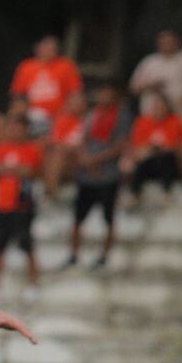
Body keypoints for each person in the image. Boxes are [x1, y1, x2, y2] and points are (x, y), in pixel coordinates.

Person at [0, 112, 44, 298]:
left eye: (19, 128)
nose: (15, 132)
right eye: (12, 127)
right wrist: (11, 170)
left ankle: (33, 285)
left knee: (27, 245)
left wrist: (3, 169)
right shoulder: (1, 148)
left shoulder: (32, 149)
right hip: (2, 205)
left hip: (22, 206)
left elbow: (28, 171)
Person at [66, 82, 129, 268]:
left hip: (108, 174)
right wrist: (87, 160)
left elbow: (120, 145)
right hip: (87, 175)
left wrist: (96, 160)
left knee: (108, 218)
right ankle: (74, 254)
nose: (104, 98)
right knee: (78, 218)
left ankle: (104, 256)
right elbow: (82, 141)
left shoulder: (122, 117)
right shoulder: (91, 115)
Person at [128, 28, 182, 116]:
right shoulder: (149, 62)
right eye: (163, 42)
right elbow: (132, 88)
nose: (166, 44)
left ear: (178, 42)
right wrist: (149, 86)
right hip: (152, 115)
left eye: (170, 41)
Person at [10, 35, 82, 130]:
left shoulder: (66, 66)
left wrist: (65, 112)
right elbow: (17, 94)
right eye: (46, 48)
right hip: (31, 115)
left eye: (53, 49)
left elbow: (75, 93)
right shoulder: (26, 67)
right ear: (38, 48)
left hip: (59, 116)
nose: (50, 51)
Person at [125, 97, 182, 201]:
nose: (159, 110)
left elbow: (175, 146)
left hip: (168, 160)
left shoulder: (174, 121)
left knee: (166, 159)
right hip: (148, 161)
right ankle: (134, 194)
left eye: (162, 107)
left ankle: (167, 191)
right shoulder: (143, 122)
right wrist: (152, 149)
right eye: (156, 107)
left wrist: (155, 149)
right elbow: (138, 148)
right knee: (140, 164)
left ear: (167, 109)